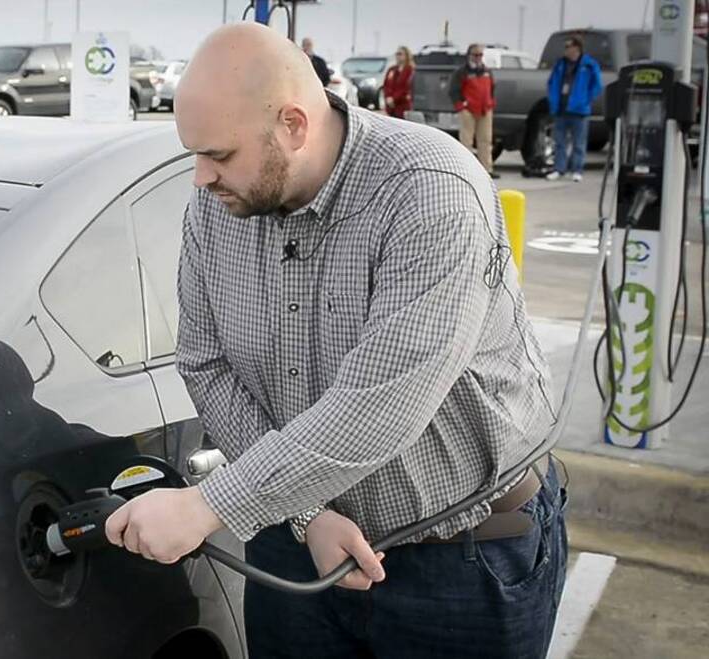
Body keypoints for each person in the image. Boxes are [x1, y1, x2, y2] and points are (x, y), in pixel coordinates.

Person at [104, 23, 565, 658]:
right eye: (194, 155)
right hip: (299, 551)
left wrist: (206, 507)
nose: (200, 177)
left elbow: (379, 404)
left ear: (294, 124)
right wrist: (305, 515)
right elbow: (205, 363)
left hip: (461, 561)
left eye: (219, 154)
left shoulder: (429, 191)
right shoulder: (218, 203)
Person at [545, 36, 604, 182]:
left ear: (576, 48)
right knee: (559, 142)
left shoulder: (589, 65)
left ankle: (577, 170)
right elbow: (552, 82)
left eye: (568, 47)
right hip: (561, 109)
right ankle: (559, 169)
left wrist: (585, 100)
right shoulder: (560, 64)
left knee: (579, 143)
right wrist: (553, 100)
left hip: (579, 111)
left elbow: (596, 85)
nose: (566, 50)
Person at [449, 43, 499, 178]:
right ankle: (467, 170)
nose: (478, 57)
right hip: (468, 111)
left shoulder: (487, 71)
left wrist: (491, 102)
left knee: (485, 140)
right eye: (475, 55)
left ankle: (487, 169)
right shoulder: (462, 72)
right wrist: (461, 106)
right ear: (469, 55)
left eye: (480, 55)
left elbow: (492, 88)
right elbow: (453, 91)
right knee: (467, 141)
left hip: (485, 110)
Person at [382, 46, 415, 119]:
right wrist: (388, 97)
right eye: (396, 54)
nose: (398, 56)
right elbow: (386, 85)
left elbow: (406, 87)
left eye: (400, 54)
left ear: (406, 56)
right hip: (391, 107)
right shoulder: (392, 70)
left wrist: (394, 99)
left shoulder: (410, 70)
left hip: (402, 106)